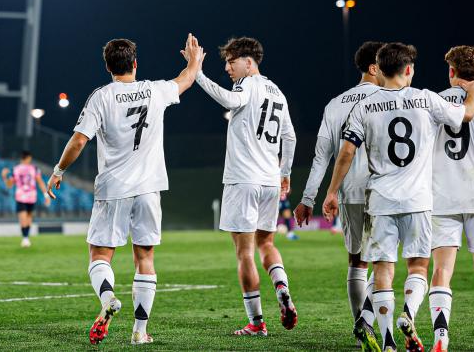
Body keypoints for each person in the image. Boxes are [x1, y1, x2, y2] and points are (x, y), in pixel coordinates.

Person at [322, 42, 474, 352]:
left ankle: (387, 342)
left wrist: (331, 192)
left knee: (382, 271)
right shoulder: (425, 99)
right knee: (419, 268)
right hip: (418, 201)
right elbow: (466, 115)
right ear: (409, 69)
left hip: (380, 200)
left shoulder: (363, 107)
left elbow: (346, 152)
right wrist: (473, 91)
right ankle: (409, 312)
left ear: (379, 71)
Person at [46, 34, 204, 345]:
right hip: (149, 188)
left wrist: (58, 171)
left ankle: (107, 300)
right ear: (135, 63)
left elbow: (79, 140)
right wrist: (194, 60)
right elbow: (185, 80)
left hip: (114, 188)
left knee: (100, 255)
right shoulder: (154, 90)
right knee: (145, 257)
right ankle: (140, 332)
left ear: (108, 67)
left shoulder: (101, 97)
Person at [189, 36, 297, 336]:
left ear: (249, 62)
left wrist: (196, 72)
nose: (227, 67)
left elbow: (229, 100)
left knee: (245, 253)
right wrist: (284, 172)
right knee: (267, 244)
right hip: (269, 182)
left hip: (243, 180)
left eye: (231, 61)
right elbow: (290, 137)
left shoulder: (247, 85)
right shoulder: (278, 92)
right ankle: (282, 289)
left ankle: (257, 322)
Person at [293, 41, 385, 350]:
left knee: (357, 262)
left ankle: (362, 330)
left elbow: (321, 156)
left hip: (350, 192)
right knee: (385, 263)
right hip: (386, 190)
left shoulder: (335, 104)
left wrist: (308, 199)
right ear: (374, 67)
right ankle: (370, 325)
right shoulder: (389, 99)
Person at [428, 46, 474, 352]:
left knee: (442, 269)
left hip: (442, 195)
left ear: (451, 71)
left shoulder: (434, 101)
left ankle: (441, 337)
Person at [2, 151, 51, 248]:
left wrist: (4, 177)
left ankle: (25, 238)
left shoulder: (15, 169)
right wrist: (46, 195)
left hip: (24, 196)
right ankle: (25, 238)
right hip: (29, 197)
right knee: (27, 218)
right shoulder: (34, 169)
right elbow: (40, 182)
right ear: (28, 158)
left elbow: (9, 184)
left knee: (25, 218)